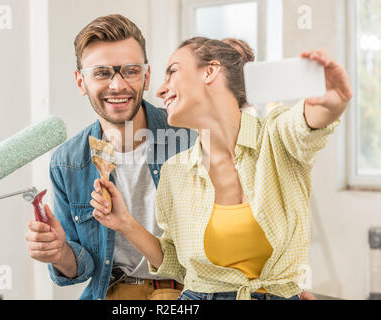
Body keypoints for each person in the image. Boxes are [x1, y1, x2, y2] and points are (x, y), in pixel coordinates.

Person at [89, 37, 353, 300]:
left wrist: (330, 102)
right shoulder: (175, 172)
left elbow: (306, 124)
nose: (160, 90)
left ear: (210, 71)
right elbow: (179, 267)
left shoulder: (276, 138)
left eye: (172, 71)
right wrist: (124, 223)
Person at [24, 14, 196, 300]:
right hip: (115, 291)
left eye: (130, 71)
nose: (117, 86)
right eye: (102, 73)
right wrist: (59, 252)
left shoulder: (189, 138)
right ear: (81, 82)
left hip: (187, 290)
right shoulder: (67, 162)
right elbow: (83, 265)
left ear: (147, 76)